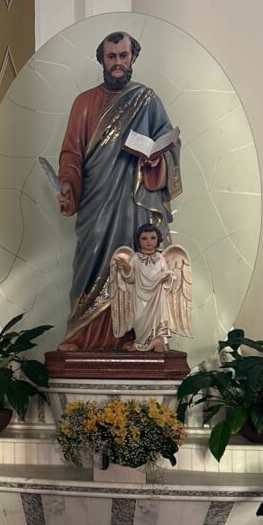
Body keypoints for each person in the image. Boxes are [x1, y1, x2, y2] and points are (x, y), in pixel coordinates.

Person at [56, 31, 182, 351]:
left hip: (135, 200)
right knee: (91, 259)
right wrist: (69, 184)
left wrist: (157, 159)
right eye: (111, 57)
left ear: (133, 58)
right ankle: (81, 333)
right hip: (96, 201)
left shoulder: (147, 99)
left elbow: (170, 145)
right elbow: (72, 152)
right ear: (102, 59)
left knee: (137, 263)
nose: (117, 63)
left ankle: (139, 335)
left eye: (123, 56)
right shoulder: (83, 103)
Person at [109, 223, 192, 352]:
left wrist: (167, 277)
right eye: (144, 238)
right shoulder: (135, 258)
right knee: (139, 318)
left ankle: (157, 341)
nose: (149, 241)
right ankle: (140, 341)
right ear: (138, 240)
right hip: (139, 296)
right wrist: (126, 266)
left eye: (153, 238)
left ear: (158, 239)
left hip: (157, 295)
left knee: (158, 319)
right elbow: (130, 279)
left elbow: (169, 274)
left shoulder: (160, 258)